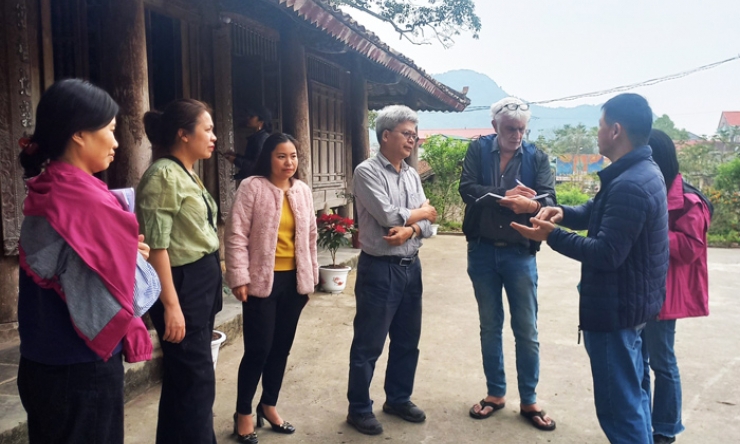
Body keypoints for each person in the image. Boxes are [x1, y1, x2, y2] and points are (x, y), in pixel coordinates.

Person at [512, 93, 669, 443]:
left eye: (600, 125)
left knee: (620, 409)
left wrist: (551, 235)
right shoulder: (639, 172)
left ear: (615, 130)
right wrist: (562, 213)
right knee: (636, 397)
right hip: (633, 306)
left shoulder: (630, 183)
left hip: (616, 312)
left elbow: (606, 253)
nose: (597, 133)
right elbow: (598, 211)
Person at [16, 79, 159, 443]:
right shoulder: (82, 198)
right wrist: (133, 260)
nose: (115, 142)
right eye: (110, 131)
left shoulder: (49, 185)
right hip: (78, 364)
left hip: (41, 359)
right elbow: (128, 288)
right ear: (79, 134)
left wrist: (125, 253)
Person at [458, 97, 557, 431]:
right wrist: (508, 197)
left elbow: (548, 199)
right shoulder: (478, 151)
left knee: (526, 330)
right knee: (490, 326)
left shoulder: (537, 157)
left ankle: (529, 399)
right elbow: (467, 188)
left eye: (522, 129)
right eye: (510, 129)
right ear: (495, 127)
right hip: (482, 251)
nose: (516, 135)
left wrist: (530, 203)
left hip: (519, 254)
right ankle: (495, 393)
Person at [346, 105, 437, 436]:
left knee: (407, 340)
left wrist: (412, 228)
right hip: (380, 269)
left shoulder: (412, 174)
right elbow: (387, 215)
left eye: (415, 134)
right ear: (386, 135)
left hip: (412, 266)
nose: (413, 140)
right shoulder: (366, 172)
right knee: (369, 344)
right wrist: (418, 214)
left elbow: (430, 223)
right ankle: (358, 408)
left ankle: (398, 398)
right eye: (407, 134)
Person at [136, 98, 222, 444]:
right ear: (183, 134)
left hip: (199, 280)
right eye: (208, 129)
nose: (214, 137)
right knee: (196, 381)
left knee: (183, 378)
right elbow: (157, 248)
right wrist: (171, 305)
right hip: (180, 285)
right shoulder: (163, 175)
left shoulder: (186, 172)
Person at [225, 133, 319, 444]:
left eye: (293, 156)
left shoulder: (303, 190)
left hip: (293, 283)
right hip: (261, 281)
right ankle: (243, 413)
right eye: (281, 156)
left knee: (281, 348)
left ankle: (269, 404)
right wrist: (239, 277)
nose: (288, 162)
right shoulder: (252, 187)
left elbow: (311, 238)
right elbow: (237, 234)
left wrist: (311, 279)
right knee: (258, 350)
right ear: (268, 157)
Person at [641, 129, 711, 444]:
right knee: (636, 360)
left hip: (663, 295)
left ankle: (666, 429)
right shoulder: (644, 188)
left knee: (662, 362)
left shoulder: (690, 202)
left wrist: (650, 231)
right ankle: (641, 423)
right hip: (637, 290)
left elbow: (690, 247)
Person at [224, 105, 272, 181]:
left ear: (261, 122)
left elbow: (255, 166)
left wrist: (235, 159)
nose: (248, 118)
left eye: (252, 116)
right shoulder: (257, 137)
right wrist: (235, 156)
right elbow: (250, 159)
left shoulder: (262, 139)